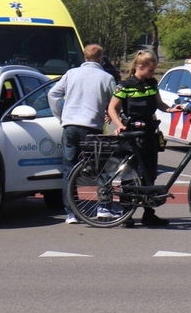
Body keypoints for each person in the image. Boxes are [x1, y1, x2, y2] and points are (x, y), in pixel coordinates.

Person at [107, 50, 179, 227]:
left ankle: (148, 213)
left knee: (149, 174)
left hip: (149, 134)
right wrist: (119, 125)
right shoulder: (125, 86)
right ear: (140, 67)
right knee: (129, 175)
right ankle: (126, 214)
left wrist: (171, 109)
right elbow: (112, 108)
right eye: (150, 70)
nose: (152, 74)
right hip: (131, 133)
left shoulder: (151, 84)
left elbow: (159, 104)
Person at [49, 43, 117, 224]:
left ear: (85, 57)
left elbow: (53, 94)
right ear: (101, 58)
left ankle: (71, 212)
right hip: (92, 127)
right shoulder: (106, 77)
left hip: (70, 126)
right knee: (102, 167)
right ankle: (104, 207)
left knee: (69, 169)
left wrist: (61, 115)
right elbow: (115, 102)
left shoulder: (71, 74)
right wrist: (111, 114)